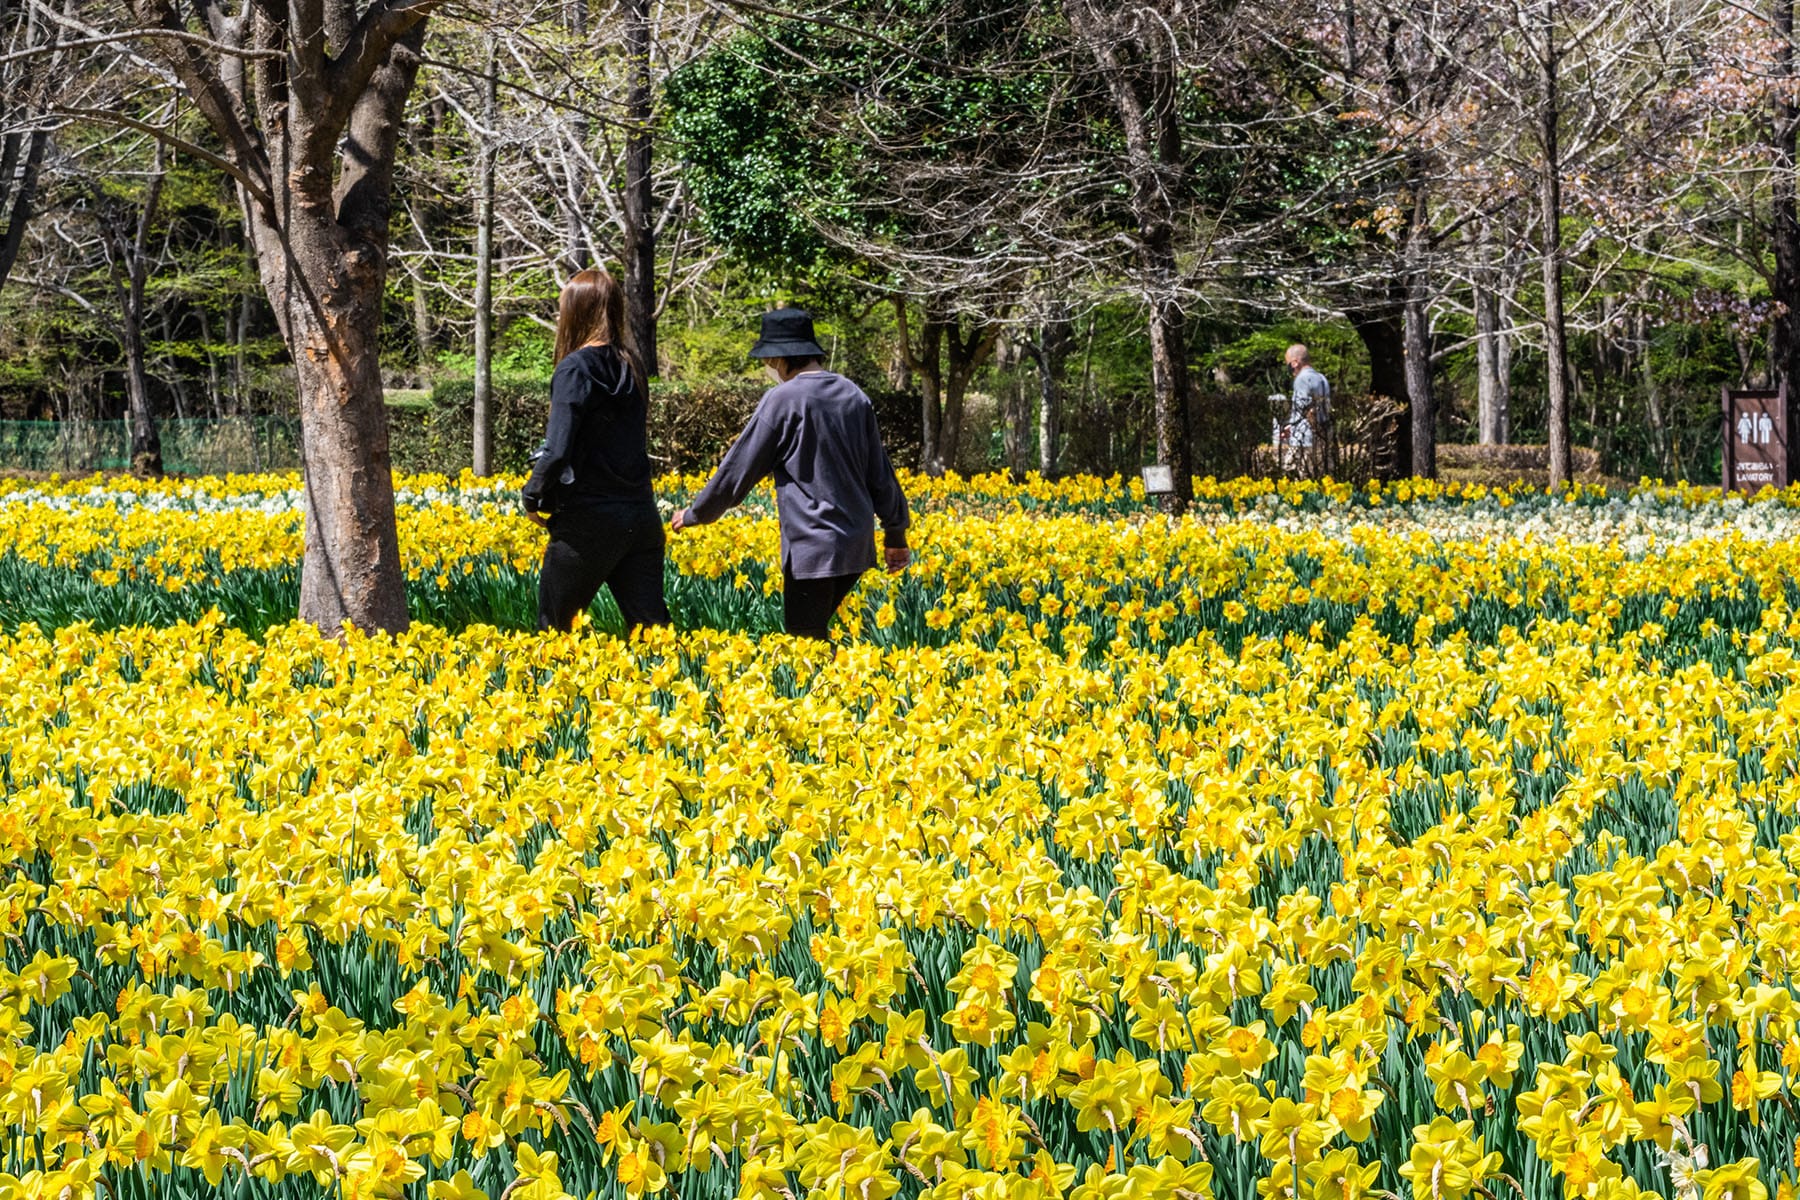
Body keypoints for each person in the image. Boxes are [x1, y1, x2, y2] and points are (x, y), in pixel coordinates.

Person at [671, 307, 910, 640]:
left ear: (780, 358)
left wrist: (697, 514)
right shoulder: (854, 396)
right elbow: (880, 474)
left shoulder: (783, 400)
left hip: (812, 546)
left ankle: (829, 691)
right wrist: (895, 535)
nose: (769, 369)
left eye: (769, 362)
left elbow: (738, 470)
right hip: (855, 545)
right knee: (811, 634)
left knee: (804, 640)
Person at [522, 268, 671, 634]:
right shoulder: (631, 365)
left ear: (575, 312)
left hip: (587, 521)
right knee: (653, 633)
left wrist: (532, 494)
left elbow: (557, 449)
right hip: (640, 517)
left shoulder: (574, 369)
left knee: (556, 630)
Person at [1277, 343, 1331, 472]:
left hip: (1303, 440)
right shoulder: (1322, 378)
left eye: (1288, 364)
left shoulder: (1301, 379)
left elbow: (1306, 409)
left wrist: (1301, 427)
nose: (1289, 369)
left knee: (1293, 475)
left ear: (1295, 362)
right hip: (1322, 436)